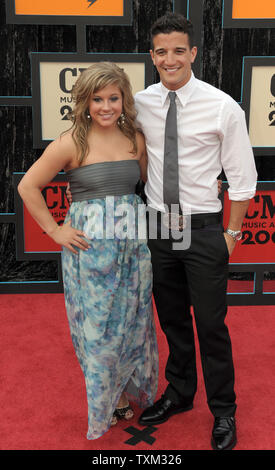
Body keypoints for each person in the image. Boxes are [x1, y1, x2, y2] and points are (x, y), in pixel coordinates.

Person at [134, 13, 257, 451]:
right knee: (171, 320)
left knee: (210, 324)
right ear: (153, 56)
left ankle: (224, 411)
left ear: (194, 53)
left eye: (178, 50)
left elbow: (242, 179)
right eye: (161, 51)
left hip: (204, 229)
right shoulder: (140, 102)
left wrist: (231, 234)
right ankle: (180, 393)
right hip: (158, 229)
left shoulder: (223, 106)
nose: (170, 59)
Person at [17, 62, 158, 440]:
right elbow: (28, 187)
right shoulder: (71, 142)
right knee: (97, 331)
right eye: (98, 98)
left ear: (124, 99)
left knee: (134, 323)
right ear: (84, 101)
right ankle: (105, 402)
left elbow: (151, 183)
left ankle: (125, 392)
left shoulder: (136, 139)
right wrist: (54, 230)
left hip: (132, 249)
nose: (106, 106)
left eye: (113, 97)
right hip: (91, 252)